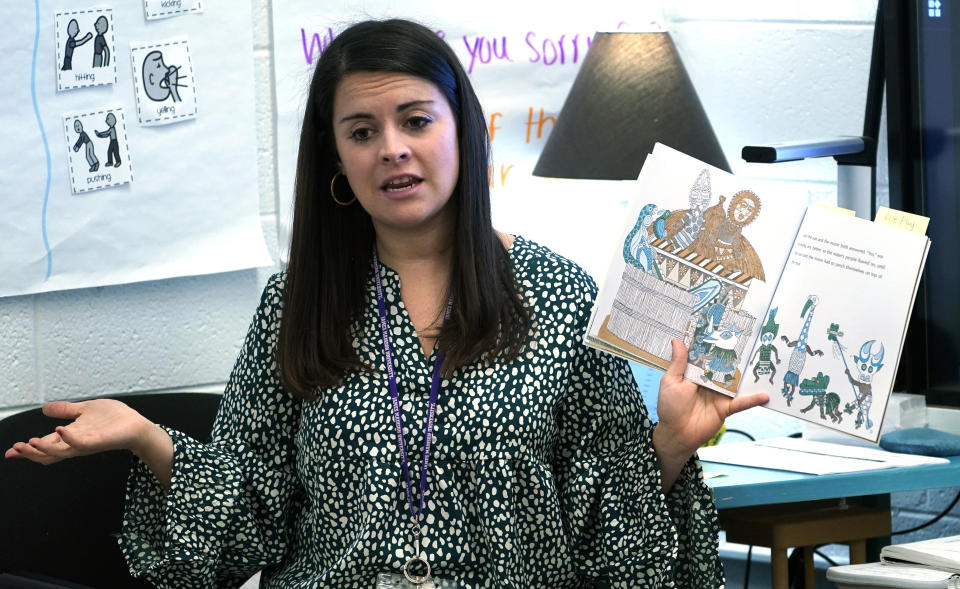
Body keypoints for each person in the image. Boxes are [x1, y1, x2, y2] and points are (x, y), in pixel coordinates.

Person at [5, 19, 767, 588]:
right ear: (337, 160)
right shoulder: (297, 303)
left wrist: (671, 442)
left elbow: (611, 534)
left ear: (462, 132)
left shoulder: (560, 296)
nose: (392, 149)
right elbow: (245, 519)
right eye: (362, 131)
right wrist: (148, 438)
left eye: (415, 120)